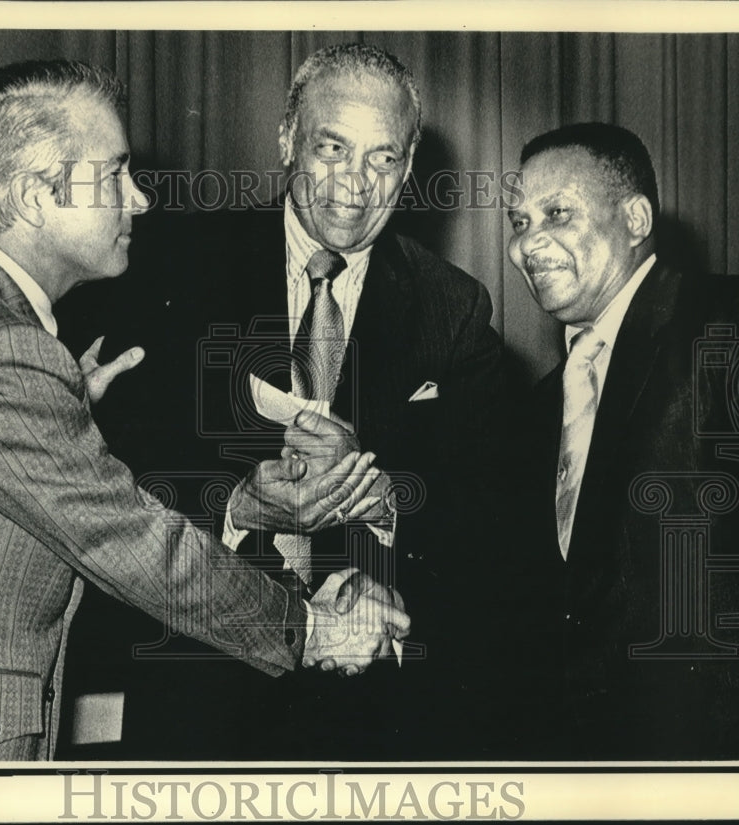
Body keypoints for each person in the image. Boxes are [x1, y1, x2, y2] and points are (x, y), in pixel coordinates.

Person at [0, 59, 411, 761]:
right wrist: (312, 627)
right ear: (34, 195)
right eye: (114, 174)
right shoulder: (2, 355)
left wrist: (61, 412)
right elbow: (135, 546)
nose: (140, 199)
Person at [57, 44, 504, 759]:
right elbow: (108, 470)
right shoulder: (171, 261)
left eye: (383, 158)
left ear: (411, 163)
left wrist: (378, 497)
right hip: (201, 695)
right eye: (333, 147)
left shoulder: (452, 307)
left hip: (374, 711)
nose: (356, 184)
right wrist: (239, 504)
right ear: (286, 139)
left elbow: (484, 506)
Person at [502, 122, 739, 758]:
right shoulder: (534, 408)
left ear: (636, 217)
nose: (526, 244)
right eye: (517, 221)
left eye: (556, 213)